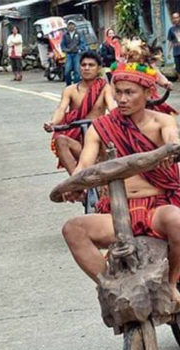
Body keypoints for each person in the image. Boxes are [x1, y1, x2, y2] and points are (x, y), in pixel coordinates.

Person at [61, 62, 180, 305]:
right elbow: (85, 164)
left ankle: (171, 283)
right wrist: (75, 184)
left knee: (177, 221)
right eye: (119, 92)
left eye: (130, 92)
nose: (122, 99)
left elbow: (172, 140)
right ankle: (113, 287)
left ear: (148, 94)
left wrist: (171, 150)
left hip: (157, 208)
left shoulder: (162, 122)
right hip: (117, 211)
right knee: (73, 229)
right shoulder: (102, 127)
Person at [43, 51, 116, 174]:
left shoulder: (105, 88)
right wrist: (52, 123)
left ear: (98, 68)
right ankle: (77, 185)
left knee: (109, 143)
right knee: (60, 141)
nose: (86, 68)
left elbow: (112, 106)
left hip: (98, 138)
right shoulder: (70, 90)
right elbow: (61, 109)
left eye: (91, 65)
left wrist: (120, 119)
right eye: (83, 65)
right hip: (78, 139)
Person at [62, 21, 83, 86]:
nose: (71, 26)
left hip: (76, 54)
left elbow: (82, 43)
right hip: (69, 55)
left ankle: (76, 85)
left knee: (77, 71)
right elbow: (62, 45)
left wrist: (80, 49)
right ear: (67, 27)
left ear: (75, 26)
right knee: (67, 71)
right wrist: (66, 50)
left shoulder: (79, 34)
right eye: (69, 25)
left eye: (72, 25)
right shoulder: (65, 35)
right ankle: (68, 85)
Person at [167, 12, 180, 76]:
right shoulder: (171, 30)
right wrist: (168, 52)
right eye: (174, 18)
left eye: (177, 17)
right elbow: (170, 41)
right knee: (178, 69)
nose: (176, 19)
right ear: (172, 19)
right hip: (176, 52)